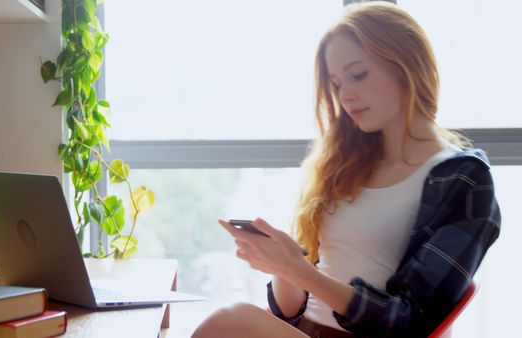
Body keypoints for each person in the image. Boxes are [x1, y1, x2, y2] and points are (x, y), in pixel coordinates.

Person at [192, 2, 501, 338]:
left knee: (230, 321)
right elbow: (292, 312)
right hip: (306, 331)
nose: (346, 95)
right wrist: (284, 268)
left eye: (358, 74)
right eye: (337, 83)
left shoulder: (463, 179)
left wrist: (302, 273)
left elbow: (413, 320)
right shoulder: (345, 165)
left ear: (406, 64)